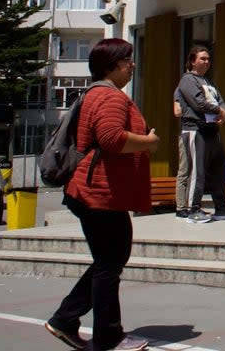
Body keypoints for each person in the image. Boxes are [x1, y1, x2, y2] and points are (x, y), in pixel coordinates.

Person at [44, 39, 159, 351]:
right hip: (99, 193)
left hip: (95, 191)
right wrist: (148, 142)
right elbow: (111, 139)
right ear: (112, 65)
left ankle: (65, 318)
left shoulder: (96, 94)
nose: (132, 65)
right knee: (110, 262)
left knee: (109, 259)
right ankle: (108, 337)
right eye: (127, 60)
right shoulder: (110, 98)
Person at [174, 47, 225, 223]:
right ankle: (193, 208)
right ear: (193, 61)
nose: (206, 62)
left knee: (221, 169)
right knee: (197, 171)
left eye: (208, 59)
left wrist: (222, 110)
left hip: (211, 129)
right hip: (195, 129)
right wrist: (219, 111)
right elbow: (198, 102)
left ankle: (221, 207)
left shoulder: (208, 81)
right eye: (202, 59)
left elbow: (220, 99)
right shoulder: (187, 80)